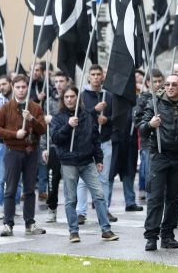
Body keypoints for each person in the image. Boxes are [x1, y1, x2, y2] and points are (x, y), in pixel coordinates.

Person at [50, 86, 119, 242]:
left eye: (72, 96)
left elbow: (95, 139)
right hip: (68, 162)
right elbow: (55, 139)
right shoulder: (58, 118)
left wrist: (99, 159)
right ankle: (73, 231)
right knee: (71, 199)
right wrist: (68, 126)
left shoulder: (87, 116)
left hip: (87, 161)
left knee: (99, 195)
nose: (69, 99)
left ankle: (106, 230)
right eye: (66, 97)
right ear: (63, 99)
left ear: (77, 98)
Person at [139, 74, 178, 251]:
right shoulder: (154, 103)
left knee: (173, 200)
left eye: (174, 84)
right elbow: (142, 130)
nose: (170, 87)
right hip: (159, 155)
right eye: (167, 84)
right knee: (156, 198)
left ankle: (168, 235)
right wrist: (150, 124)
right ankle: (151, 237)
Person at [0, 74, 47, 237]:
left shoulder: (35, 108)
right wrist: (14, 134)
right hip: (13, 152)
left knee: (30, 189)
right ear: (13, 88)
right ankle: (8, 224)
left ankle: (30, 223)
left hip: (31, 152)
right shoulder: (6, 108)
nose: (21, 90)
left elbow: (43, 129)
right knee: (10, 189)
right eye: (18, 87)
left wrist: (32, 120)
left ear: (27, 88)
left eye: (24, 87)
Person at [77, 65, 117, 224]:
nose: (95, 77)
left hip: (104, 141)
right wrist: (94, 110)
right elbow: (79, 117)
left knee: (104, 178)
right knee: (82, 180)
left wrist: (107, 120)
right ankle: (81, 212)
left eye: (98, 74)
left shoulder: (109, 95)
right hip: (86, 143)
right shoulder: (82, 95)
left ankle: (104, 209)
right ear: (88, 77)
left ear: (102, 77)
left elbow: (117, 117)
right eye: (93, 74)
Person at [0, 74, 21, 220]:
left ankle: (16, 204)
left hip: (17, 143)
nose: (1, 87)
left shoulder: (19, 100)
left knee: (17, 177)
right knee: (1, 178)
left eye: (4, 84)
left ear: (11, 84)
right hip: (1, 144)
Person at [40, 71, 69, 223]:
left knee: (71, 180)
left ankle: (74, 210)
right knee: (53, 179)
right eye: (56, 81)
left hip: (69, 146)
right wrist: (44, 147)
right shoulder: (48, 102)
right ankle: (52, 208)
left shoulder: (72, 100)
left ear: (67, 82)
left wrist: (55, 119)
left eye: (61, 80)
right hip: (53, 146)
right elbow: (44, 126)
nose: (58, 84)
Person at [135, 69, 164, 202]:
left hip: (164, 142)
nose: (157, 84)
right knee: (149, 174)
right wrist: (150, 123)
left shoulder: (166, 98)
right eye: (154, 81)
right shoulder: (143, 99)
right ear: (148, 82)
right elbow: (138, 122)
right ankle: (151, 199)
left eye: (160, 81)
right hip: (149, 143)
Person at [29, 61, 49, 202]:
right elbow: (26, 103)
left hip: (42, 123)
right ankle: (28, 189)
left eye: (38, 70)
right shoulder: (26, 85)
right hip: (29, 125)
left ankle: (42, 189)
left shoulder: (45, 84)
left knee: (43, 159)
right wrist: (37, 98)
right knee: (29, 159)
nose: (36, 72)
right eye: (34, 70)